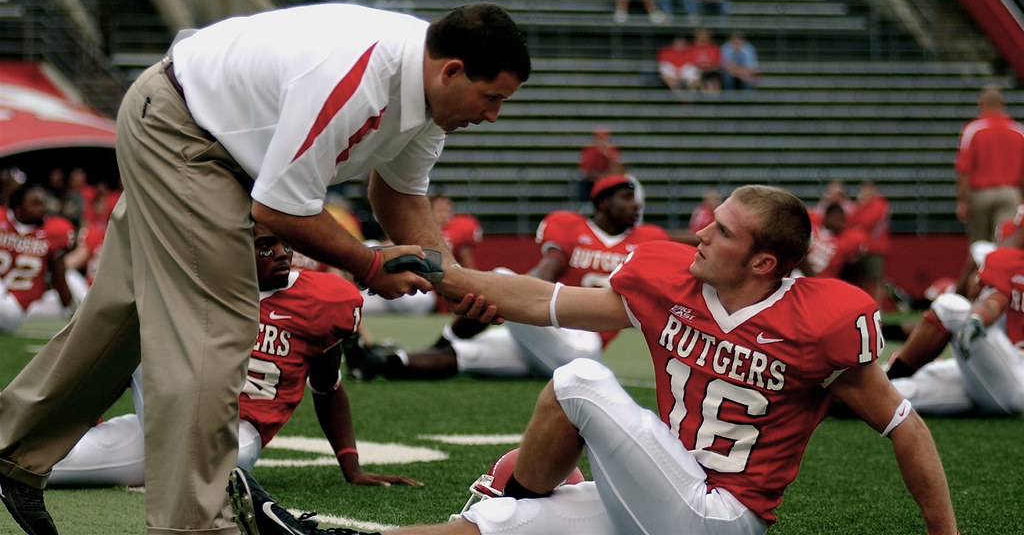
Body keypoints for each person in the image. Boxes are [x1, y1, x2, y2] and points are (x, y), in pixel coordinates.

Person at [0, 2, 529, 535]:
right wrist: (369, 264)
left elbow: (399, 193)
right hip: (185, 130)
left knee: (120, 317)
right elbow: (279, 211)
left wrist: (452, 282)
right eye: (492, 99)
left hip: (207, 133)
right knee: (216, 325)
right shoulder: (360, 78)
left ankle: (11, 452)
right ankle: (198, 523)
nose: (491, 116)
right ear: (452, 71)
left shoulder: (429, 91)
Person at [233, 184, 958, 535]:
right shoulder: (669, 281)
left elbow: (907, 430)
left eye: (724, 230)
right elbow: (539, 300)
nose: (700, 231)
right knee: (482, 531)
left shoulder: (823, 321)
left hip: (722, 517)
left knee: (580, 378)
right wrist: (439, 271)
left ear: (764, 261)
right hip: (656, 492)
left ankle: (520, 487)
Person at [47, 223, 420, 489]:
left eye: (284, 244)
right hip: (164, 419)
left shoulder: (324, 299)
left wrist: (350, 464)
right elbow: (125, 360)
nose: (280, 254)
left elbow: (327, 385)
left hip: (234, 434)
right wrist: (84, 416)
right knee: (43, 466)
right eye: (264, 247)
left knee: (219, 466)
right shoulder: (201, 286)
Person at [347, 175, 668, 380]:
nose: (636, 204)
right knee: (467, 356)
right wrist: (522, 301)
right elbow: (548, 270)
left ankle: (445, 336)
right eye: (626, 197)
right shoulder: (569, 225)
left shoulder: (649, 237)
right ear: (602, 202)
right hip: (545, 332)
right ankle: (377, 365)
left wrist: (514, 295)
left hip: (582, 342)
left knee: (500, 279)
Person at [886, 230, 1024, 416]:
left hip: (1016, 384)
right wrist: (977, 318)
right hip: (999, 373)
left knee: (951, 306)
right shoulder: (1011, 264)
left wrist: (975, 318)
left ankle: (891, 374)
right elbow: (994, 301)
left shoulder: (1005, 260)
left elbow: (987, 300)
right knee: (900, 394)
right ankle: (851, 394)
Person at [0, 184, 81, 333]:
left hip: (22, 306)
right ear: (18, 208)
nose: (42, 208)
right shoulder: (2, 219)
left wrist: (70, 309)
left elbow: (59, 276)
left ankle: (81, 317)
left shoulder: (54, 230)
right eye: (35, 204)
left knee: (74, 279)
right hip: (4, 293)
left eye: (43, 203)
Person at [955, 85, 1024, 244]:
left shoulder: (974, 129)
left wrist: (962, 201)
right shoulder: (1018, 130)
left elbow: (964, 169)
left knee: (979, 244)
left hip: (981, 194)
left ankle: (982, 268)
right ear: (1002, 105)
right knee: (1005, 241)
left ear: (983, 104)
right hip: (1010, 193)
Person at [847, 180, 890, 308]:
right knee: (863, 280)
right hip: (859, 248)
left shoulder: (879, 204)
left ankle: (878, 307)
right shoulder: (860, 205)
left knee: (875, 279)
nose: (865, 193)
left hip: (875, 248)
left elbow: (867, 221)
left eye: (868, 190)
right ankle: (865, 305)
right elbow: (850, 220)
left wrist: (862, 206)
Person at [432, 195, 482, 269]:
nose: (443, 215)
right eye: (439, 211)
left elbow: (467, 262)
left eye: (446, 211)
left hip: (452, 270)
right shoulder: (422, 228)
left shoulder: (459, 228)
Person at [576, 124, 622, 202]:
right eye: (599, 139)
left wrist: (608, 155)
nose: (601, 141)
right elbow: (585, 171)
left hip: (607, 181)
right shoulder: (589, 150)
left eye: (604, 139)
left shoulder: (612, 150)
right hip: (592, 181)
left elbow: (618, 169)